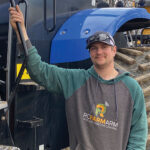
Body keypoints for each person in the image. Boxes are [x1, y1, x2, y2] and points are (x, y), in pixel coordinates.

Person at [9, 5, 148, 150]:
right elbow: (39, 70)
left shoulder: (132, 88)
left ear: (114, 50)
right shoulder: (76, 80)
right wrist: (21, 31)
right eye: (94, 48)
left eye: (104, 46)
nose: (99, 51)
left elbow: (138, 137)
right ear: (89, 53)